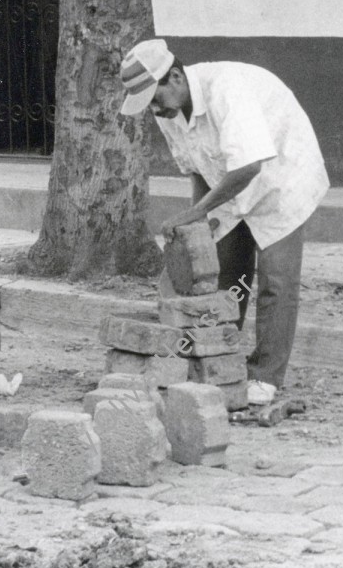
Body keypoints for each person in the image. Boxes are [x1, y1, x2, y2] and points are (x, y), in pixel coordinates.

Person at [120, 38, 329, 409]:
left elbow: (250, 165)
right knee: (229, 273)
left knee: (277, 280)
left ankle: (266, 376)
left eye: (155, 98)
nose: (154, 109)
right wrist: (202, 223)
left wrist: (199, 211)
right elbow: (197, 167)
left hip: (281, 177)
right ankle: (221, 359)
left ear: (177, 78)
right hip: (230, 184)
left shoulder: (227, 92)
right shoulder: (169, 111)